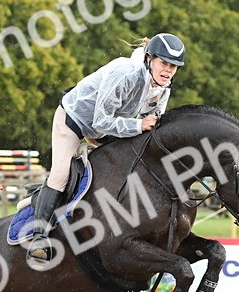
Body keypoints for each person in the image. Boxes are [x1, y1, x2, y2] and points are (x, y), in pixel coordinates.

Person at [25, 33, 186, 264]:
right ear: (149, 58)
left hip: (108, 130)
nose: (168, 70)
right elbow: (101, 121)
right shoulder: (125, 72)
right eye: (164, 63)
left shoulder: (163, 88)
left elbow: (149, 125)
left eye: (174, 66)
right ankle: (38, 236)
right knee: (61, 173)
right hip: (75, 120)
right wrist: (138, 124)